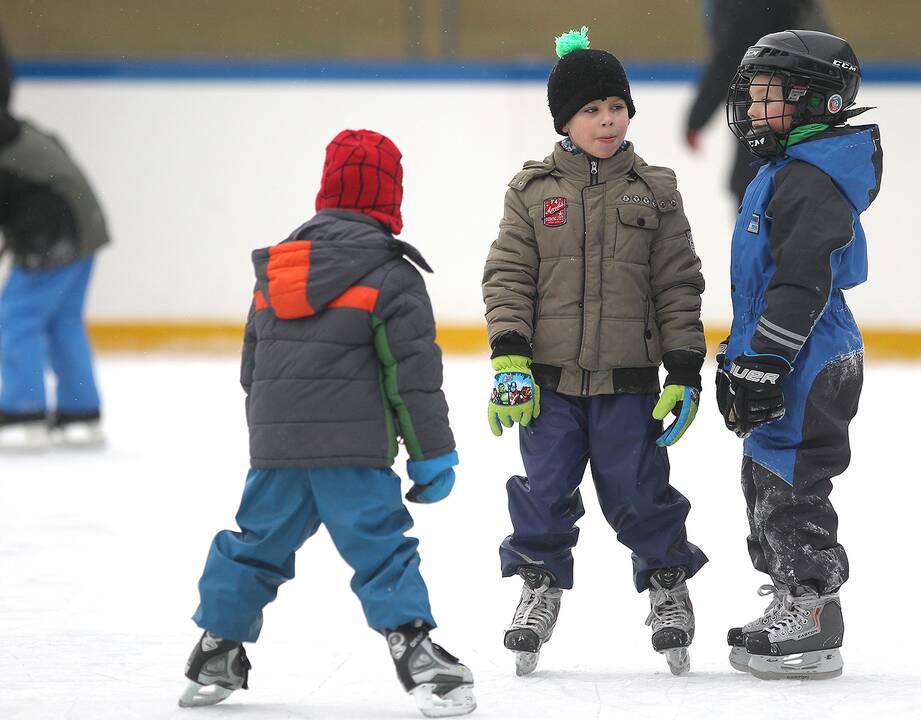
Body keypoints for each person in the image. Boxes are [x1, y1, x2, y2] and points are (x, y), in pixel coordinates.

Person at [179, 130, 476, 717]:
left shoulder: (278, 269)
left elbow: (252, 369)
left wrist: (276, 433)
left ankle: (217, 650)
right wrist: (431, 454)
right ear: (391, 200)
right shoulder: (393, 275)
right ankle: (415, 652)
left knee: (256, 545)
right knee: (381, 550)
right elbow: (412, 377)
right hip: (351, 449)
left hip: (278, 448)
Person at [482, 26, 708, 677]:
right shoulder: (531, 193)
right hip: (548, 383)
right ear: (565, 121)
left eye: (616, 107)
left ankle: (667, 585)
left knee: (638, 491)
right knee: (544, 489)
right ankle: (539, 585)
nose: (607, 121)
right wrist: (510, 359)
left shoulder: (656, 191)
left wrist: (685, 369)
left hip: (629, 382)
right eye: (592, 110)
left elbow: (678, 284)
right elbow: (507, 278)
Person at [716, 29, 882, 680]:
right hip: (787, 347)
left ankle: (814, 611)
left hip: (810, 354)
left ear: (820, 104)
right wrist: (739, 355)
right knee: (764, 477)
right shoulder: (786, 169)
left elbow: (801, 280)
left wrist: (767, 360)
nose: (754, 111)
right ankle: (790, 594)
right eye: (752, 97)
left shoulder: (812, 179)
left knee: (793, 482)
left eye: (768, 98)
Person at [0, 34, 109, 450]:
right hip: (84, 224)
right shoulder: (17, 131)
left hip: (57, 229)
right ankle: (80, 411)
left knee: (16, 317)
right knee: (62, 319)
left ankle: (21, 410)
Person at [685, 0, 831, 204]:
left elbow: (730, 54)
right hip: (801, 103)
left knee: (759, 186)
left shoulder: (748, 7)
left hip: (775, 105)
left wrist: (698, 117)